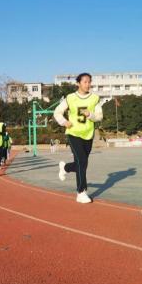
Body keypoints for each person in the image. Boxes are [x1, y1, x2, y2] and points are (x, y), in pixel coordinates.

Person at [53, 72, 103, 203]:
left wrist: (91, 115)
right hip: (73, 133)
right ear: (78, 83)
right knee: (82, 161)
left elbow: (100, 116)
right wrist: (64, 122)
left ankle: (65, 168)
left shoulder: (95, 98)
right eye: (85, 82)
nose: (88, 84)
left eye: (89, 82)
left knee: (82, 163)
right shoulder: (70, 98)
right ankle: (81, 192)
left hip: (88, 134)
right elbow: (57, 112)